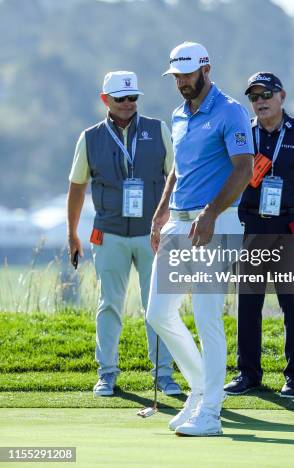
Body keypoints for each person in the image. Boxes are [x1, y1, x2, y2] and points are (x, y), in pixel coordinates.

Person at [146, 42, 253, 436]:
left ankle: (211, 412)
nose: (181, 82)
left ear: (206, 69)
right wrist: (160, 212)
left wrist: (211, 213)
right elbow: (178, 169)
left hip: (216, 225)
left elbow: (243, 169)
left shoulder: (230, 112)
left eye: (187, 75)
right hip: (178, 222)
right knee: (158, 313)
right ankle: (200, 392)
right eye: (176, 76)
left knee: (208, 318)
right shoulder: (178, 114)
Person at [67, 70, 181, 397]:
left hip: (152, 235)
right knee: (109, 305)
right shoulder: (89, 137)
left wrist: (170, 224)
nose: (129, 104)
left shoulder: (157, 129)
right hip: (110, 234)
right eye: (121, 98)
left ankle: (163, 376)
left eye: (133, 97)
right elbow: (77, 187)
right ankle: (106, 374)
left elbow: (176, 178)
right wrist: (72, 233)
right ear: (106, 100)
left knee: (157, 306)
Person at [224, 72, 294, 399]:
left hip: (291, 227)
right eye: (254, 97)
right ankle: (248, 373)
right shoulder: (243, 133)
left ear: (281, 96)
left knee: (293, 303)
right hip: (255, 228)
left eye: (266, 95)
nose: (260, 102)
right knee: (248, 303)